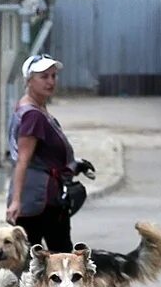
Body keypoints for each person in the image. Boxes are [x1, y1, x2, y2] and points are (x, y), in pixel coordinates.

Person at [6, 54, 95, 252]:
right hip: (39, 198)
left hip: (45, 195)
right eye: (44, 77)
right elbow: (23, 160)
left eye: (53, 76)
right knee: (56, 257)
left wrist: (73, 165)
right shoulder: (32, 115)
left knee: (53, 255)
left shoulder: (36, 107)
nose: (51, 81)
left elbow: (46, 154)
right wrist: (16, 201)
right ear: (29, 80)